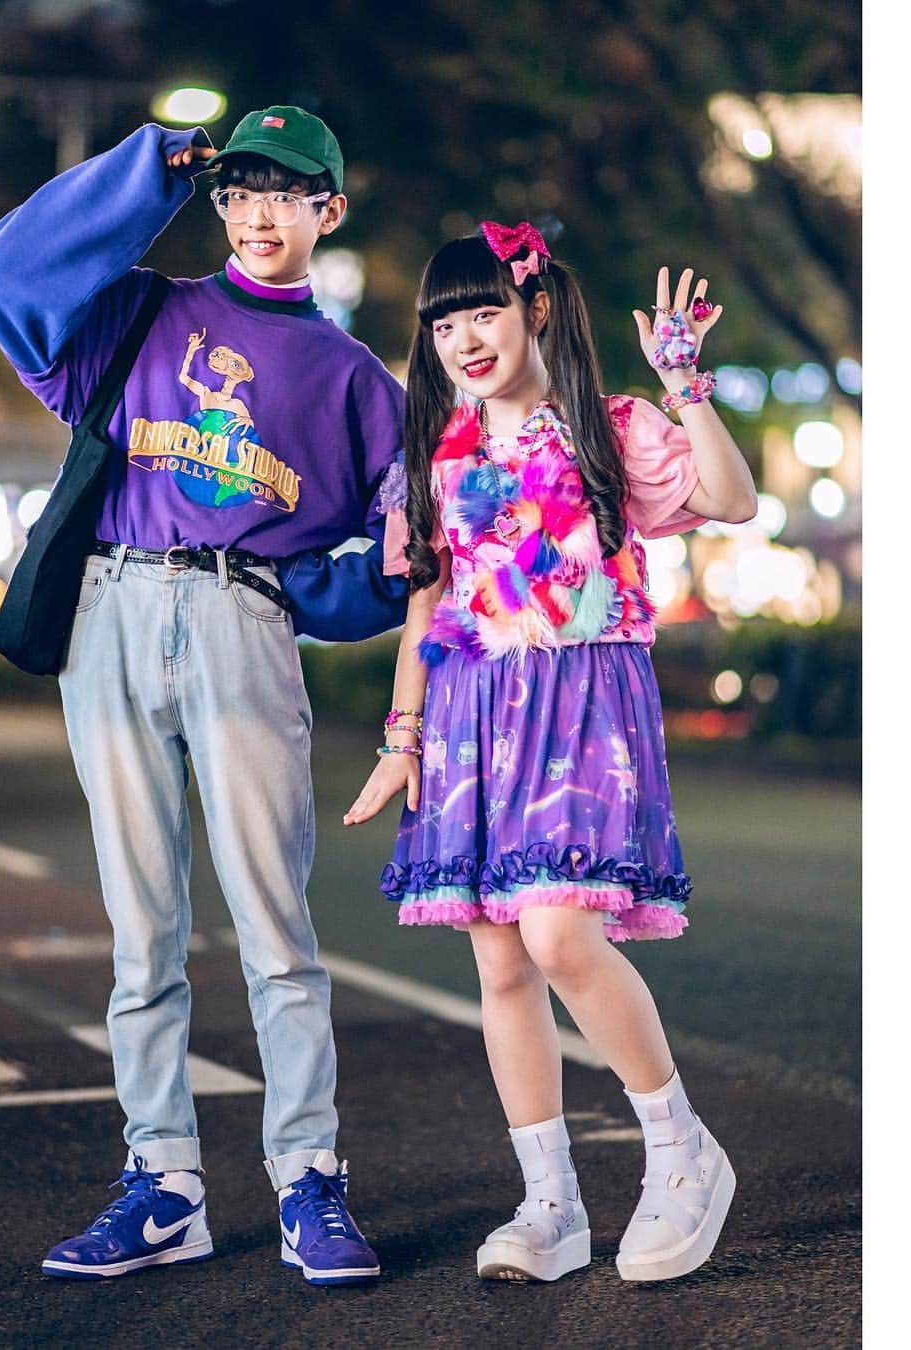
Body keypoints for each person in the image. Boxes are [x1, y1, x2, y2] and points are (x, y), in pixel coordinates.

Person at [0, 105, 410, 1284]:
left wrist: (354, 587)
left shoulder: (360, 383)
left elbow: (379, 572)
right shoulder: (142, 311)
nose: (261, 214)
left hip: (242, 619)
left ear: (330, 208)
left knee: (275, 927)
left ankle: (309, 1179)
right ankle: (163, 1184)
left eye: (288, 193)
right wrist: (144, 170)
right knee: (139, 931)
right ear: (216, 202)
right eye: (240, 191)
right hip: (109, 608)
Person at [344, 221, 757, 1284]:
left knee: (560, 933)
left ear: (535, 309)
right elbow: (428, 601)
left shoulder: (610, 429)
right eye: (442, 321)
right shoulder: (438, 460)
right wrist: (405, 736)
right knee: (499, 960)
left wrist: (687, 384)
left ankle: (682, 1154)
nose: (462, 338)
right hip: (472, 710)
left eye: (483, 311)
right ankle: (551, 1206)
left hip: (583, 705)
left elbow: (732, 500)